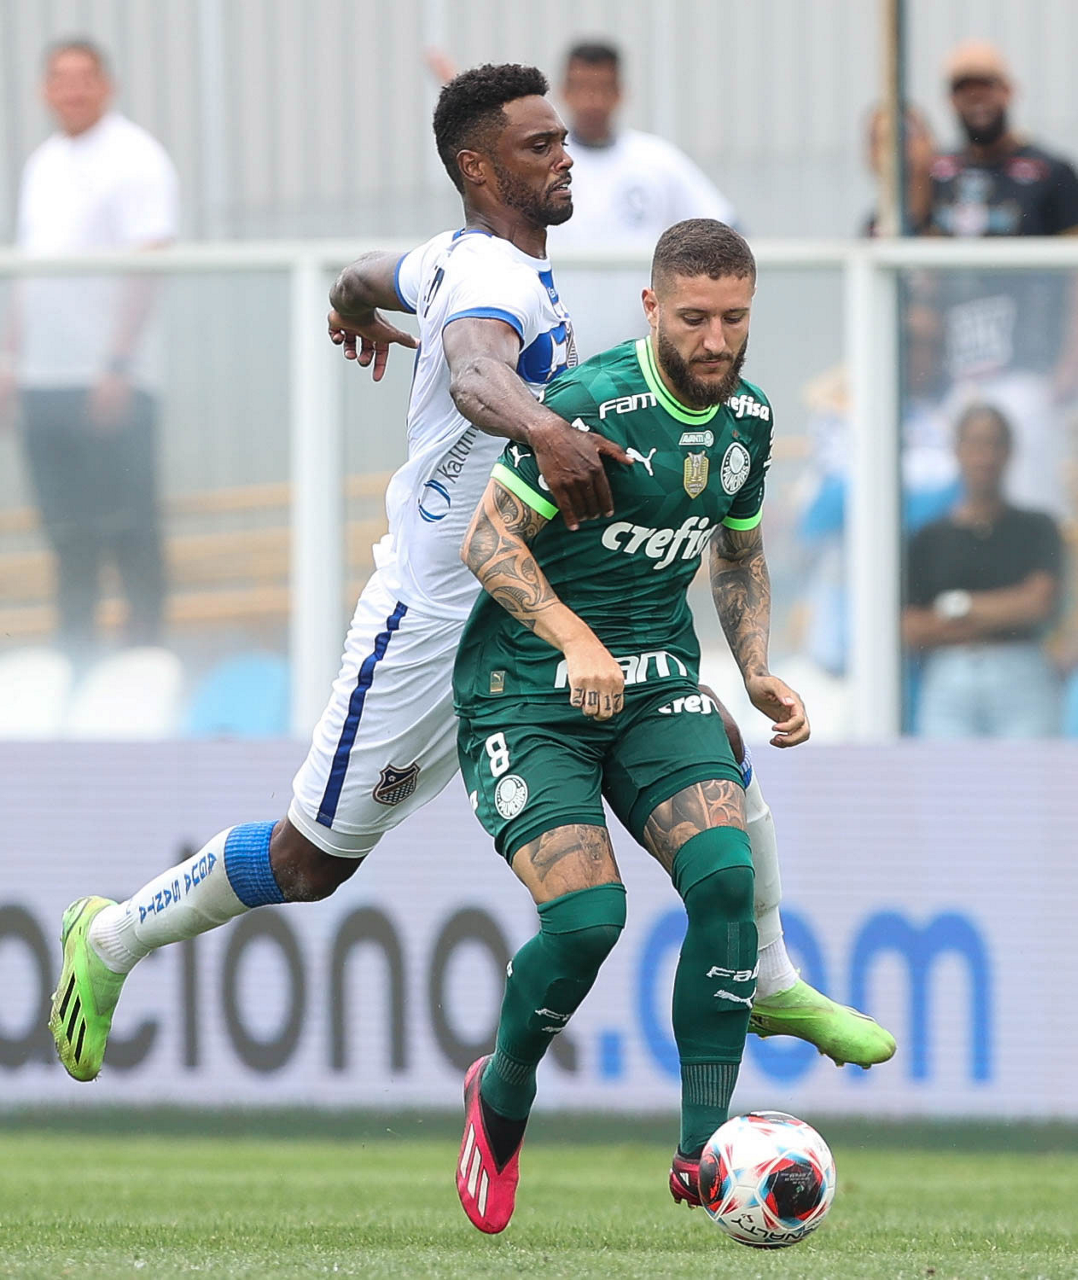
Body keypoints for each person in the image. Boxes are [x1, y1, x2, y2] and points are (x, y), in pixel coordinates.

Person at [48, 64, 891, 1090]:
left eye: (560, 140)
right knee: (311, 859)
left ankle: (769, 973)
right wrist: (546, 430)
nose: (564, 157)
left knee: (702, 725)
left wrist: (349, 307)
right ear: (477, 167)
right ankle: (114, 935)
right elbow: (476, 372)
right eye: (539, 146)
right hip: (437, 619)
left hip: (536, 606)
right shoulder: (493, 279)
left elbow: (366, 274)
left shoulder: (459, 255)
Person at [452, 219, 811, 1233]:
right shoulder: (589, 405)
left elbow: (735, 551)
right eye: (693, 317)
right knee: (588, 921)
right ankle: (501, 1091)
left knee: (727, 877)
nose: (715, 339)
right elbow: (488, 537)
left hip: (655, 685)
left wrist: (755, 669)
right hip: (527, 691)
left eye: (733, 318)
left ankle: (703, 1150)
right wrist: (572, 636)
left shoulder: (748, 419)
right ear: (652, 307)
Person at [0, 39, 180, 654]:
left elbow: (149, 261)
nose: (72, 90)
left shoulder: (135, 156)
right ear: (45, 90)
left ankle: (145, 651)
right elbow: (29, 272)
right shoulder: (43, 163)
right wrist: (11, 359)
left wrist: (117, 363)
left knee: (129, 524)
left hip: (111, 378)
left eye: (84, 77)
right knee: (66, 529)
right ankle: (74, 654)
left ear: (107, 85)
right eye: (60, 78)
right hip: (44, 379)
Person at [926, 39, 1078, 518]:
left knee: (1032, 501)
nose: (977, 97)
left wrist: (1068, 363)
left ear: (1009, 91)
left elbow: (1074, 274)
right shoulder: (940, 175)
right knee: (953, 505)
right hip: (955, 372)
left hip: (1029, 368)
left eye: (986, 85)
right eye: (963, 87)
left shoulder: (1050, 172)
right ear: (950, 99)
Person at [550, 40, 741, 358]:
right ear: (564, 92)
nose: (592, 100)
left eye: (603, 88)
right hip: (559, 355)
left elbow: (726, 231)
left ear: (620, 93)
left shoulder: (656, 161)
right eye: (582, 88)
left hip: (643, 355)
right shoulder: (545, 165)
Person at [903, 403, 1063, 737]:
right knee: (948, 770)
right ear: (958, 450)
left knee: (1026, 770)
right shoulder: (930, 538)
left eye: (994, 444)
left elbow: (1038, 604)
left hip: (1023, 681)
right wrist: (1003, 612)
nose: (985, 457)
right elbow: (912, 628)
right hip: (949, 684)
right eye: (976, 444)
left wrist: (956, 607)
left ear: (1010, 452)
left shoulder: (1036, 527)